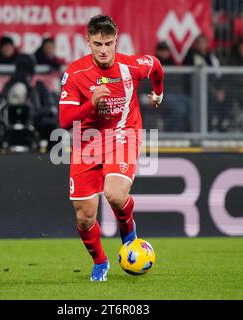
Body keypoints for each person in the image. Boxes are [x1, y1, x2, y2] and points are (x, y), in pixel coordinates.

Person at [58, 15, 164, 281]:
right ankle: (100, 262)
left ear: (116, 40)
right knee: (84, 217)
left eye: (108, 43)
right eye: (97, 44)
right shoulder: (75, 73)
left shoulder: (132, 65)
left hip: (123, 134)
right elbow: (65, 120)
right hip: (87, 142)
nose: (103, 50)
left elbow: (157, 66)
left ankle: (128, 230)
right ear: (88, 42)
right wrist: (91, 103)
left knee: (115, 195)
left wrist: (158, 93)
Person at [183, 34, 230, 132]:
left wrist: (221, 90)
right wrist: (215, 92)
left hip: (213, 88)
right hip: (196, 90)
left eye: (203, 42)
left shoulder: (211, 57)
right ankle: (209, 127)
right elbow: (198, 79)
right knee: (209, 99)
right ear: (195, 45)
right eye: (199, 43)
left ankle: (223, 124)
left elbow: (218, 75)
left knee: (230, 93)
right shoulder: (191, 57)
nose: (201, 45)